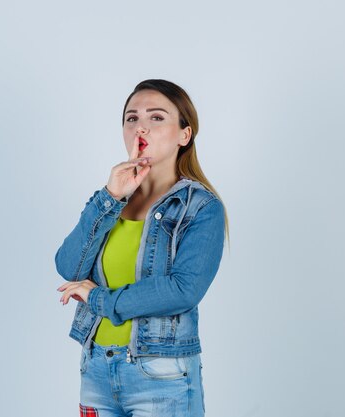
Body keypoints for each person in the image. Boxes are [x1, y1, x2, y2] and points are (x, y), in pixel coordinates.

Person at [55, 79, 227, 417]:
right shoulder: (110, 200)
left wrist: (98, 298)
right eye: (131, 118)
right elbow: (69, 267)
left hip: (163, 377)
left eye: (157, 117)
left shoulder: (201, 207)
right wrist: (110, 197)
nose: (140, 126)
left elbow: (183, 289)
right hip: (97, 372)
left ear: (184, 134)